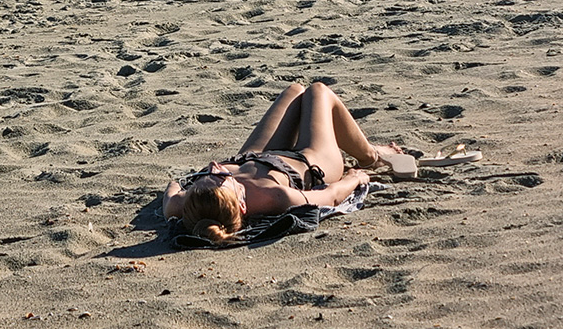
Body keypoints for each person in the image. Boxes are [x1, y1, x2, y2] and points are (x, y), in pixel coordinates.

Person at [162, 82, 418, 245]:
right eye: (219, 176)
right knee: (318, 92)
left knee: (295, 91)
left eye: (206, 173)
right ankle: (371, 155)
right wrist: (355, 178)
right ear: (242, 204)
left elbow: (172, 188)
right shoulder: (275, 196)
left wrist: (198, 189)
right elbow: (329, 197)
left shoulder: (186, 203)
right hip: (309, 162)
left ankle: (364, 149)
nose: (214, 165)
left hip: (254, 156)